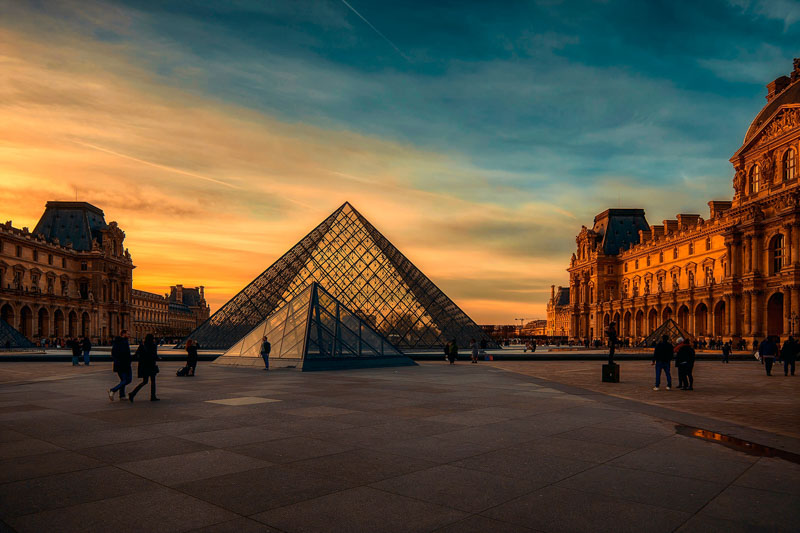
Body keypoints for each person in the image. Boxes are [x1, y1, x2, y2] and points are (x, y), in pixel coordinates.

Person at [129, 334, 159, 402]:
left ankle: (133, 393)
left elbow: (136, 355)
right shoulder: (153, 345)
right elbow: (154, 355)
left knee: (144, 381)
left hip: (144, 366)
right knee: (153, 381)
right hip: (151, 365)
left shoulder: (142, 345)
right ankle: (153, 396)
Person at [109, 330, 132, 401]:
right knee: (127, 380)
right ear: (123, 334)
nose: (129, 335)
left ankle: (122, 395)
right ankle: (113, 390)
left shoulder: (123, 341)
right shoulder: (121, 342)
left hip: (123, 364)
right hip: (122, 364)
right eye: (128, 334)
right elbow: (117, 353)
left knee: (124, 380)